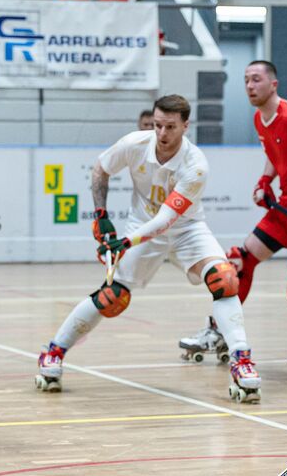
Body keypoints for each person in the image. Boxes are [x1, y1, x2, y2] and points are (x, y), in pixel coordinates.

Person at [37, 95, 262, 402]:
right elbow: (100, 170)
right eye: (157, 125)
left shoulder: (196, 165)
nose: (162, 133)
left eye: (170, 126)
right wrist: (101, 216)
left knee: (225, 279)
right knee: (112, 297)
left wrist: (125, 242)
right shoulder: (134, 144)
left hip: (186, 230)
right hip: (141, 228)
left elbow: (166, 219)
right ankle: (53, 352)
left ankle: (241, 360)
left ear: (185, 125)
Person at [179, 61, 287, 378]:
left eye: (256, 80)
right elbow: (273, 151)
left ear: (273, 84)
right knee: (241, 262)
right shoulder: (260, 118)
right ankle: (220, 331)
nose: (250, 86)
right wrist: (265, 180)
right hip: (286, 203)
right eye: (246, 81)